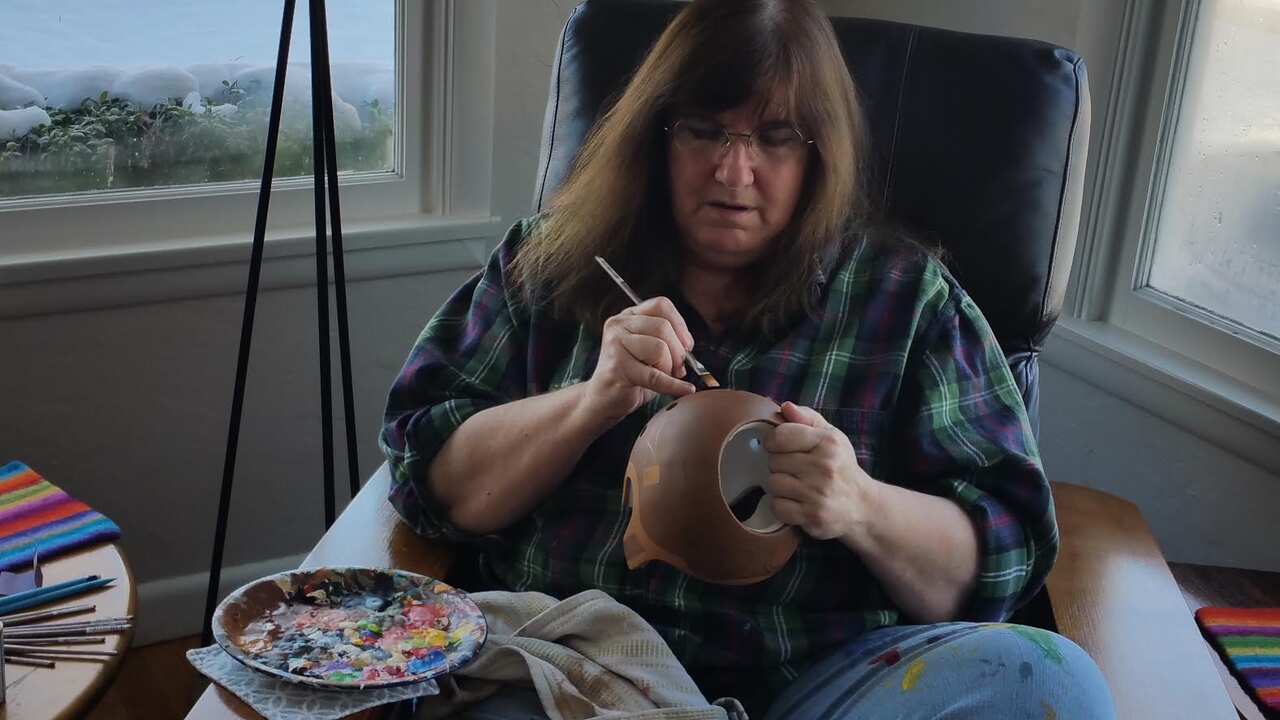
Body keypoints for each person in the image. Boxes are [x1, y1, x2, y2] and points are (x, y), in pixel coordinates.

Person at [381, 0, 1115, 717]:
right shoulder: (549, 264)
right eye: (705, 132)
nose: (735, 172)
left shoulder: (907, 299)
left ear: (818, 151)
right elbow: (429, 479)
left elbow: (1004, 560)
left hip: (815, 681)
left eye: (775, 138)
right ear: (657, 137)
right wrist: (589, 401)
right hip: (575, 661)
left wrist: (860, 504)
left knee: (1049, 680)